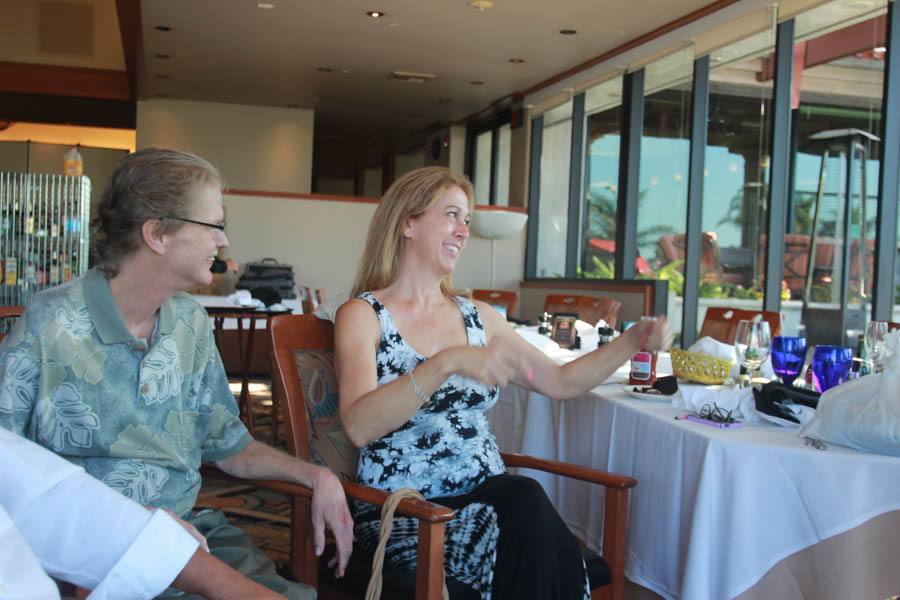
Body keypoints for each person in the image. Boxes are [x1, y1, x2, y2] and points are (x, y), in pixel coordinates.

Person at [0, 148, 353, 599]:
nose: (223, 242)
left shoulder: (190, 322)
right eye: (215, 226)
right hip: (94, 559)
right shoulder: (49, 327)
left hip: (196, 538)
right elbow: (8, 474)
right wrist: (130, 530)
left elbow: (229, 444)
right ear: (157, 234)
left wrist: (317, 476)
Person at [334, 166, 673, 599]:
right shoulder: (363, 315)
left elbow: (559, 381)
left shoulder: (481, 318)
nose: (463, 230)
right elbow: (360, 426)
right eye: (452, 215)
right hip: (407, 511)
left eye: (467, 220)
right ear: (408, 223)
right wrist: (449, 361)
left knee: (525, 508)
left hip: (490, 499)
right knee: (528, 509)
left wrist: (632, 340)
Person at [0, 426, 285, 600]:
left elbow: (57, 501)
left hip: (188, 536)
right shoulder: (42, 338)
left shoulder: (190, 335)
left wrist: (233, 590)